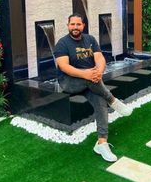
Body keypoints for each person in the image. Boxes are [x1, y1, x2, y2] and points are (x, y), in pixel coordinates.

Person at [54, 13, 133, 162]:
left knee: (99, 99)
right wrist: (87, 75)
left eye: (78, 24)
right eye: (72, 24)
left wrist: (99, 72)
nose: (75, 27)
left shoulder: (90, 39)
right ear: (68, 25)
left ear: (83, 26)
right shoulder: (62, 44)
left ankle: (102, 142)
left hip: (91, 81)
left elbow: (100, 58)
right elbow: (64, 67)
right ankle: (113, 100)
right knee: (93, 81)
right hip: (69, 82)